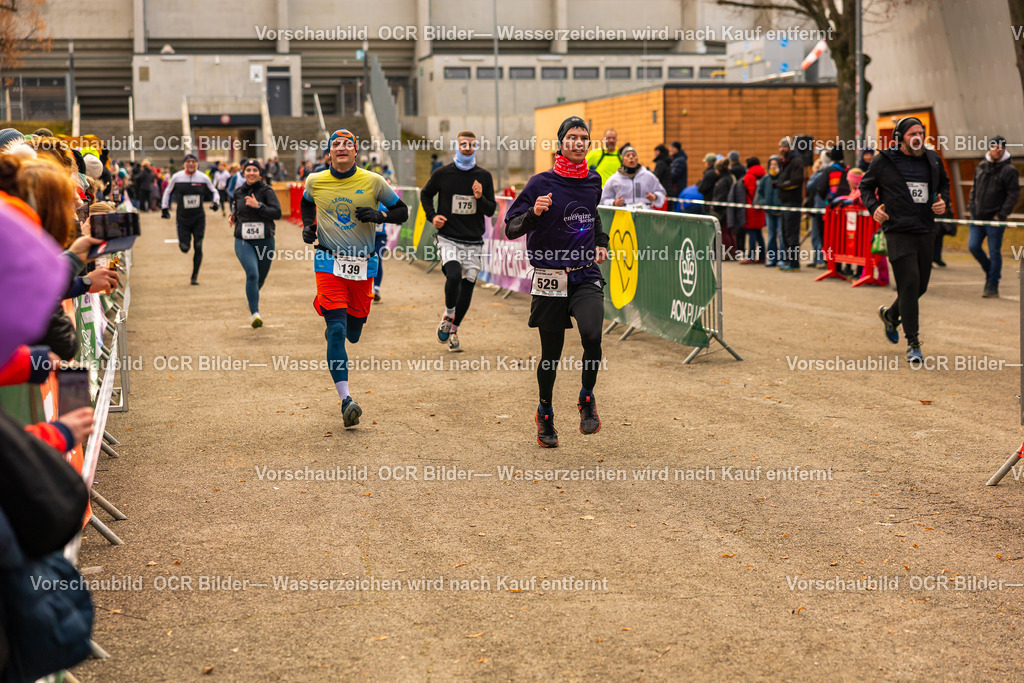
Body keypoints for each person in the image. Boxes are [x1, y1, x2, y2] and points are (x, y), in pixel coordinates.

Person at [504, 116, 608, 448]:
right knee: (552, 354)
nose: (578, 143)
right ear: (560, 143)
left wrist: (601, 242)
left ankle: (586, 397)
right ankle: (545, 411)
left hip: (584, 274)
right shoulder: (539, 182)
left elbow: (593, 214)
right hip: (549, 277)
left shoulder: (594, 180)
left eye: (584, 138)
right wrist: (533, 212)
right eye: (572, 137)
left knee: (592, 335)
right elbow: (511, 228)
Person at [301, 129, 409, 428]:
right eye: (336, 144)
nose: (342, 148)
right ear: (329, 153)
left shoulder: (374, 181)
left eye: (348, 144)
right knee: (335, 330)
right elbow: (307, 202)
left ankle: (334, 314)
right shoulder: (315, 180)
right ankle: (346, 399)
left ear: (356, 152)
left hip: (363, 266)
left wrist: (380, 217)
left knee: (354, 332)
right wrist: (309, 226)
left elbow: (402, 211)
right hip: (328, 261)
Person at [860, 116, 950, 364]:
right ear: (900, 138)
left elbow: (944, 183)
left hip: (924, 228)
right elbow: (865, 188)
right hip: (897, 229)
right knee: (909, 284)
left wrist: (943, 201)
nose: (918, 137)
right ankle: (913, 342)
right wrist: (873, 208)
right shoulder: (884, 161)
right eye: (912, 133)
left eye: (921, 132)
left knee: (920, 287)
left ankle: (890, 315)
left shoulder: (932, 159)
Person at [420, 130, 496, 352]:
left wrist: (480, 197)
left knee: (468, 285)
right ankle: (449, 314)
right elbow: (425, 194)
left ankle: (453, 331)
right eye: (463, 144)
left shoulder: (484, 177)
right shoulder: (443, 173)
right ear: (456, 146)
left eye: (471, 145)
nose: (467, 148)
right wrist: (432, 216)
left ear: (475, 148)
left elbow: (490, 211)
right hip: (448, 238)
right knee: (453, 275)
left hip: (473, 240)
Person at [229, 159, 281, 328]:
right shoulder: (238, 192)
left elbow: (277, 213)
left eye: (255, 170)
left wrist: (258, 205)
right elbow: (237, 210)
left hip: (265, 240)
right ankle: (255, 313)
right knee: (252, 274)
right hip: (243, 240)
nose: (251, 173)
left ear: (260, 173)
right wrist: (233, 217)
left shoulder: (267, 191)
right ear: (243, 173)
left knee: (260, 278)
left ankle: (252, 297)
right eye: (248, 170)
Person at [968, 135, 1020, 298]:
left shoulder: (1009, 170)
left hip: (995, 219)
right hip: (977, 216)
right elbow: (974, 189)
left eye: (1001, 147)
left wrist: (1001, 214)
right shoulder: (981, 166)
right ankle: (991, 271)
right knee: (973, 246)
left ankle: (992, 284)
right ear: (989, 148)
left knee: (994, 251)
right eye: (995, 146)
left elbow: (1013, 194)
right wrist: (972, 207)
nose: (998, 149)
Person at [161, 153, 219, 285]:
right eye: (188, 162)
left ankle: (194, 275)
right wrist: (164, 208)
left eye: (194, 161)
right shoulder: (177, 177)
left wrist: (216, 202)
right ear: (184, 164)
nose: (191, 164)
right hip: (182, 218)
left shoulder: (203, 178)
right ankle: (183, 244)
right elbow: (167, 192)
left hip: (198, 217)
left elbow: (214, 191)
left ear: (197, 163)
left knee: (198, 246)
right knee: (185, 247)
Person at [599, 145, 666, 210]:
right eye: (628, 155)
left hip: (644, 216)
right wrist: (613, 203)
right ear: (623, 160)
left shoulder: (648, 176)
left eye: (634, 155)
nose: (631, 158)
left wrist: (655, 196)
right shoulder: (614, 179)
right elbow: (602, 199)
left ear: (637, 159)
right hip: (622, 216)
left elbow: (661, 192)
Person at [773, 137, 804, 271]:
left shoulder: (796, 161)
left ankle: (793, 262)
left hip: (792, 202)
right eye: (780, 147)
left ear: (790, 148)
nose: (781, 149)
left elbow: (795, 181)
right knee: (785, 233)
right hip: (785, 202)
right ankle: (787, 260)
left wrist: (780, 185)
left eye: (784, 147)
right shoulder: (785, 162)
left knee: (791, 234)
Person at [755, 156, 783, 267]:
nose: (773, 166)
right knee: (771, 235)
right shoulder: (765, 179)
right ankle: (772, 258)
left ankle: (783, 258)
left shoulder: (782, 178)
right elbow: (760, 192)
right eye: (771, 164)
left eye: (775, 164)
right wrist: (763, 202)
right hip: (769, 211)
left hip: (780, 211)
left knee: (781, 235)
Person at [740, 157, 766, 263]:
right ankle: (762, 256)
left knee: (751, 233)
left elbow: (747, 190)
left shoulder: (749, 176)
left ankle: (750, 256)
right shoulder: (763, 176)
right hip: (760, 208)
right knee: (759, 232)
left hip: (750, 208)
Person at [711, 158, 737, 259]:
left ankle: (728, 252)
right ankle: (733, 251)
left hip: (722, 210)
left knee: (724, 232)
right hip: (728, 208)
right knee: (730, 232)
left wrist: (715, 206)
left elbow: (721, 197)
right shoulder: (731, 178)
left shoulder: (722, 181)